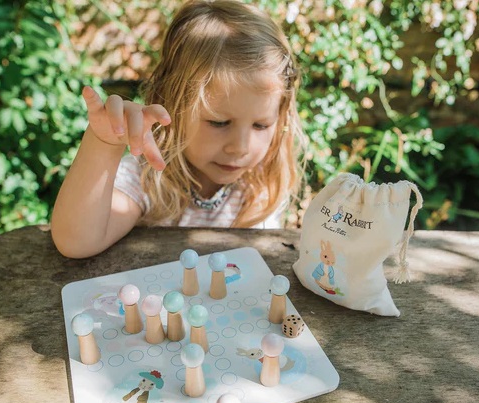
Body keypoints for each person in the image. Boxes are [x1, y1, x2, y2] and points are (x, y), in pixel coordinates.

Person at [50, 0, 307, 258]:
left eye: (261, 125)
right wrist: (104, 143)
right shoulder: (147, 177)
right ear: (173, 105)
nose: (240, 148)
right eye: (219, 122)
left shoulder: (261, 184)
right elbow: (77, 242)